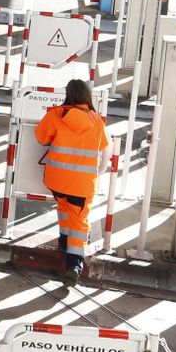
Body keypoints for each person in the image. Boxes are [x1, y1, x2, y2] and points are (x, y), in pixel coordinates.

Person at [33, 79, 109, 280]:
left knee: (63, 207)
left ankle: (64, 242)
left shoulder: (56, 115)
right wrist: (100, 171)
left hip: (57, 180)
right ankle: (74, 264)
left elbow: (41, 138)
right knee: (78, 221)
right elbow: (105, 148)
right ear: (87, 96)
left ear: (67, 94)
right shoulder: (96, 121)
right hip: (82, 185)